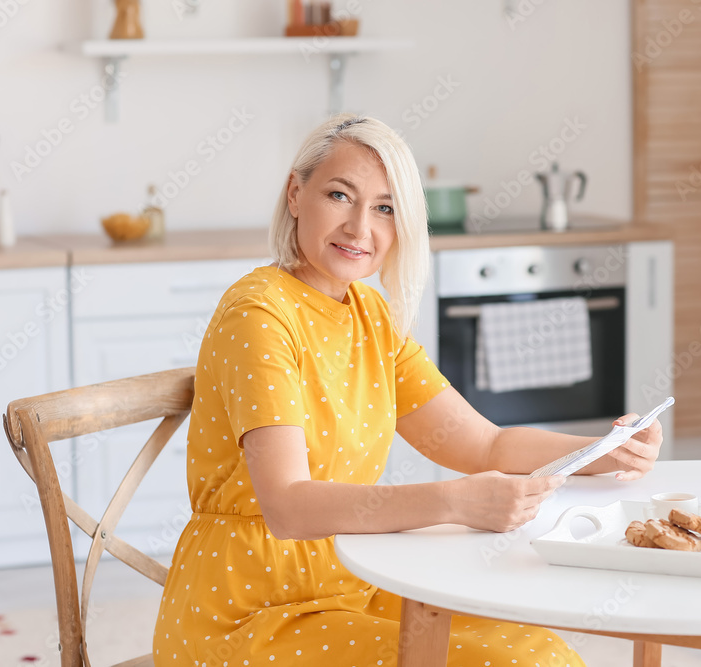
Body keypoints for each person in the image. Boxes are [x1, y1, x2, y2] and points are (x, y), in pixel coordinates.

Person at [152, 114, 664, 667]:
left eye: (384, 208)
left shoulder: (373, 317)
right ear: (296, 194)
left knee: (540, 651)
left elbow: (483, 446)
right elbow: (288, 507)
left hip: (353, 582)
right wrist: (452, 502)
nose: (359, 228)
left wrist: (603, 450)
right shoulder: (259, 314)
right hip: (248, 612)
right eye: (340, 195)